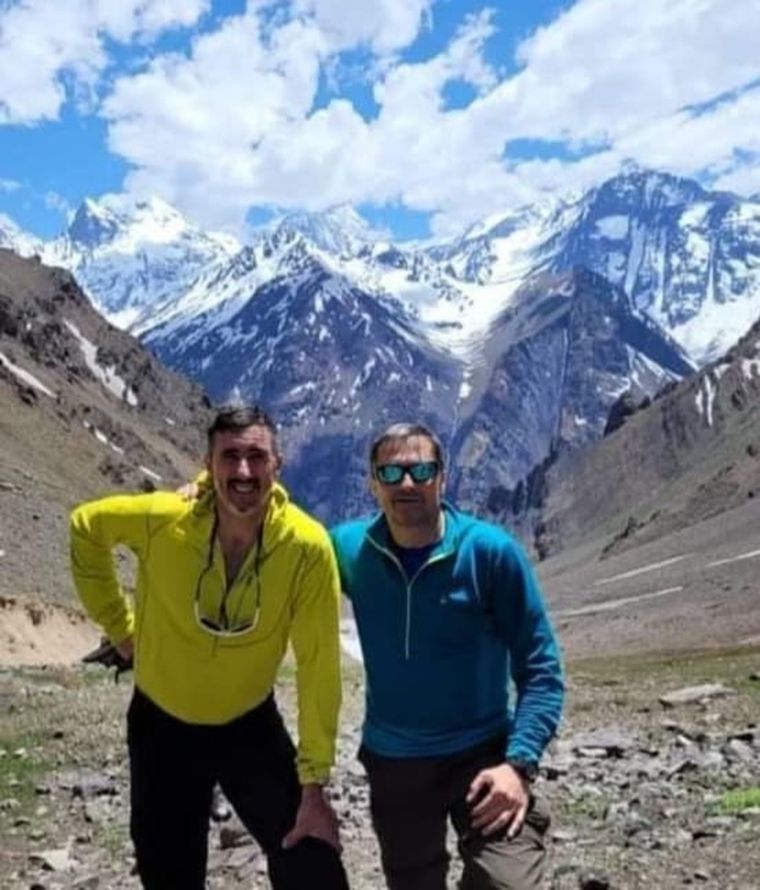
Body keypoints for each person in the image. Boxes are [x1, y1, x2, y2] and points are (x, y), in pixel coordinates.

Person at [70, 405, 349, 890]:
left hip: (250, 726)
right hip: (162, 727)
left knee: (312, 862)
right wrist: (121, 629)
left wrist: (314, 784)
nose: (243, 470)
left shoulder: (306, 547)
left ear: (277, 464)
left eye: (256, 457)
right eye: (230, 457)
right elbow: (86, 526)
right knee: (169, 874)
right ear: (208, 464)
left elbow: (318, 666)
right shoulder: (165, 519)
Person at [330, 422, 564, 890]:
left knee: (507, 882)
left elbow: (541, 669)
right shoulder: (349, 548)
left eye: (421, 470)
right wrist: (205, 494)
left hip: (484, 753)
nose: (407, 483)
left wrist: (519, 766)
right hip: (395, 762)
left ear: (443, 477)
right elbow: (280, 543)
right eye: (391, 473)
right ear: (372, 483)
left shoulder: (490, 553)